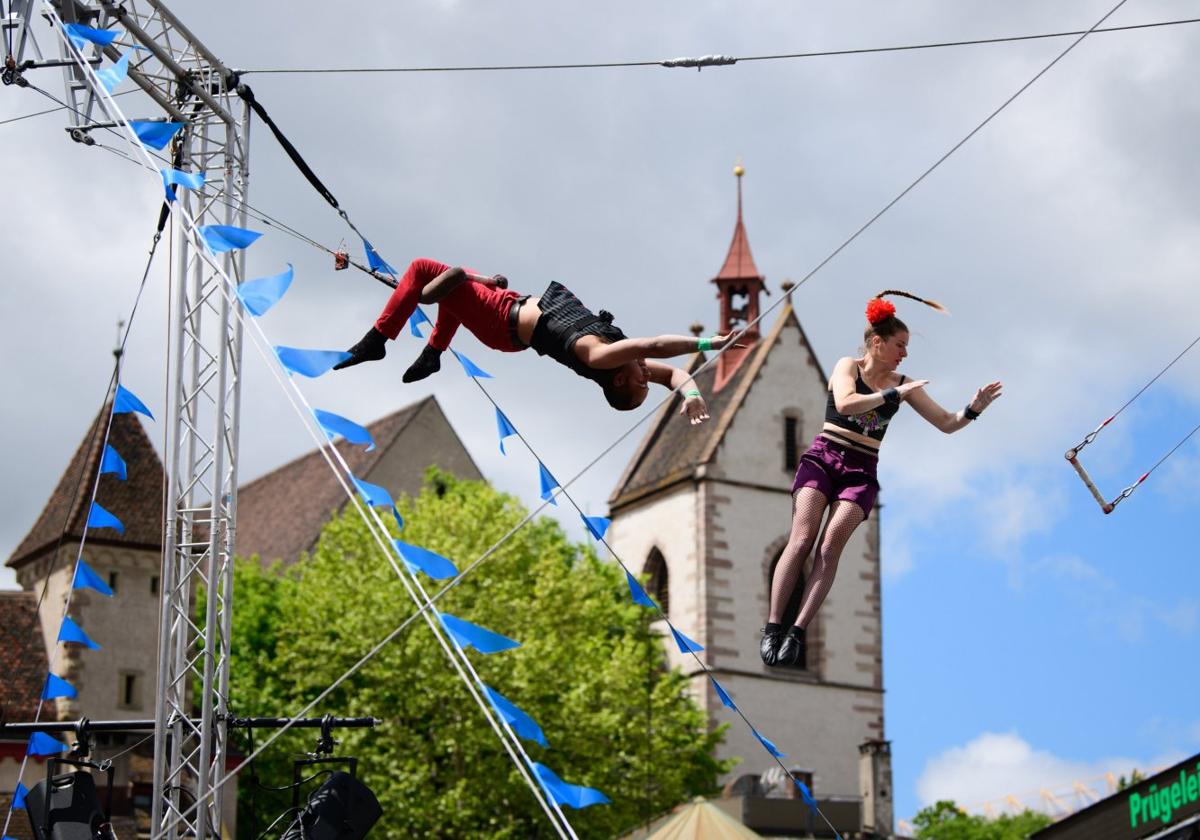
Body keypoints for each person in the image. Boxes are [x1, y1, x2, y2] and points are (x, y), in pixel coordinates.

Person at [760, 291, 1002, 667]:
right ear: (877, 342)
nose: (904, 354)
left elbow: (946, 424)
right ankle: (774, 626)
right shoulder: (848, 367)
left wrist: (973, 409)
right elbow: (845, 404)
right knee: (803, 536)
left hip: (860, 470)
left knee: (829, 548)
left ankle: (798, 630)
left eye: (905, 347)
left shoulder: (904, 383)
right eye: (899, 345)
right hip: (823, 459)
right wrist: (892, 393)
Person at [334, 258, 735, 423]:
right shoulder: (621, 367)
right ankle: (434, 351)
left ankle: (378, 339)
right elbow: (673, 376)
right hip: (507, 308)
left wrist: (706, 345)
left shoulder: (598, 355)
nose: (647, 374)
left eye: (641, 380)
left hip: (499, 323)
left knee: (424, 272)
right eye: (647, 380)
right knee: (456, 282)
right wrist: (691, 394)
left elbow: (652, 347)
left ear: (618, 379)